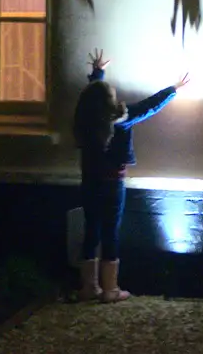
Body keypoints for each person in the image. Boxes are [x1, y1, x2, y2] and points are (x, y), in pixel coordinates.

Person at [71, 48, 189, 302]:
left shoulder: (88, 118)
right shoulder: (121, 118)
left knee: (91, 229)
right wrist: (173, 89)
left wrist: (97, 73)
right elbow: (149, 106)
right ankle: (111, 289)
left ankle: (89, 287)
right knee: (111, 231)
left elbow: (95, 97)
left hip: (90, 181)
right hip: (113, 183)